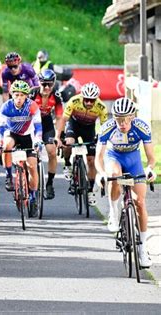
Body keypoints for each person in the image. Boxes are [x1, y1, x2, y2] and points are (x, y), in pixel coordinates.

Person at [95, 97, 156, 267]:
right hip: (113, 157)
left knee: (140, 202)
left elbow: (151, 158)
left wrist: (150, 169)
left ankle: (143, 249)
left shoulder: (141, 127)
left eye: (125, 119)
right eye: (118, 119)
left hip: (133, 159)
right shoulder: (107, 127)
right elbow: (99, 157)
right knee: (114, 175)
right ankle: (114, 213)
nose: (121, 123)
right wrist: (100, 173)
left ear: (132, 117)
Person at [54, 82, 108, 206]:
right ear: (82, 97)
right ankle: (67, 164)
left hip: (89, 128)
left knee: (91, 159)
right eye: (87, 100)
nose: (89, 103)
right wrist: (58, 136)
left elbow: (105, 126)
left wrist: (100, 138)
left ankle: (90, 190)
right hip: (74, 124)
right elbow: (63, 119)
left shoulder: (101, 107)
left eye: (92, 100)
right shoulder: (73, 101)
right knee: (69, 143)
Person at [0, 80, 43, 217]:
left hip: (28, 137)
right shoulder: (6, 107)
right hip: (13, 135)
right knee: (6, 145)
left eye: (22, 95)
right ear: (12, 95)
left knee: (32, 166)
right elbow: (1, 127)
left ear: (26, 96)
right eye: (16, 95)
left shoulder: (32, 106)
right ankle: (8, 175)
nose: (18, 98)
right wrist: (0, 142)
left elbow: (38, 127)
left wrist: (38, 141)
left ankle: (34, 196)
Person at [29, 69, 63, 199]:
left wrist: (58, 136)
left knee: (52, 151)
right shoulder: (32, 94)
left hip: (47, 122)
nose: (47, 87)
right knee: (29, 153)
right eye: (44, 84)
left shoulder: (56, 96)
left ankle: (49, 183)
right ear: (39, 82)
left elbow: (60, 118)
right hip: (31, 122)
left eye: (50, 84)